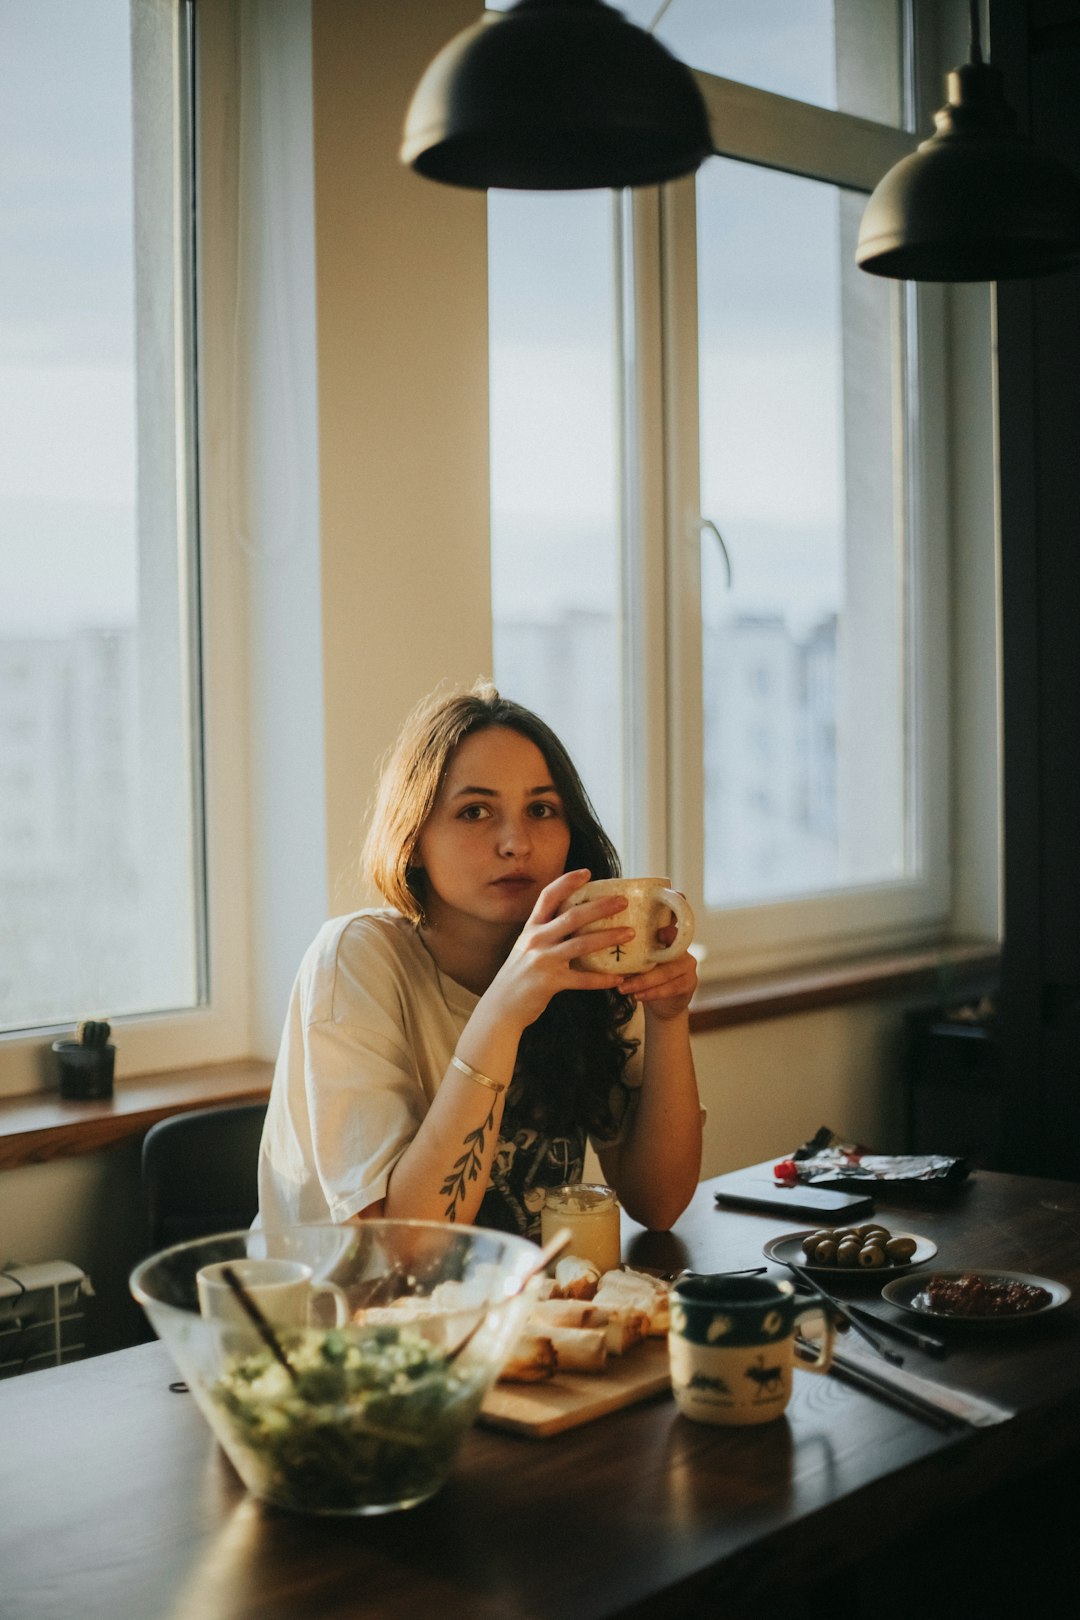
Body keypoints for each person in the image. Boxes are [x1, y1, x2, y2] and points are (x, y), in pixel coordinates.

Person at [257, 682, 702, 1240]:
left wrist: (667, 1018)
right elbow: (405, 1251)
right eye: (475, 812)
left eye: (541, 809)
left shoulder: (583, 955)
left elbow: (659, 1204)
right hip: (337, 1318)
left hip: (512, 1313)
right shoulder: (355, 959)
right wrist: (504, 1013)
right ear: (413, 836)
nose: (516, 842)